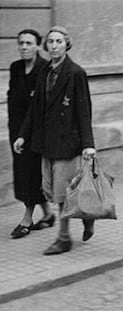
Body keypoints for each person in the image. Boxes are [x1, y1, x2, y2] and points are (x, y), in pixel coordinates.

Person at [14, 26, 96, 255]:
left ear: (66, 44)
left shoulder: (76, 73)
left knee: (62, 194)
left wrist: (88, 144)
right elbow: (34, 109)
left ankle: (63, 238)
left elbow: (83, 109)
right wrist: (23, 135)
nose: (54, 45)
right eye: (50, 42)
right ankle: (87, 217)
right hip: (46, 142)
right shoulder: (45, 72)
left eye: (59, 41)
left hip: (67, 144)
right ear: (46, 46)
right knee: (50, 190)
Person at [7, 29, 55, 239]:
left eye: (29, 43)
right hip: (16, 131)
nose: (24, 47)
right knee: (24, 172)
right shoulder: (15, 68)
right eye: (21, 43)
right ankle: (47, 214)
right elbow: (12, 98)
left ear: (37, 46)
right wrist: (16, 132)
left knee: (32, 174)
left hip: (36, 133)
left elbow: (41, 106)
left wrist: (27, 133)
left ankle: (27, 219)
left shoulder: (44, 68)